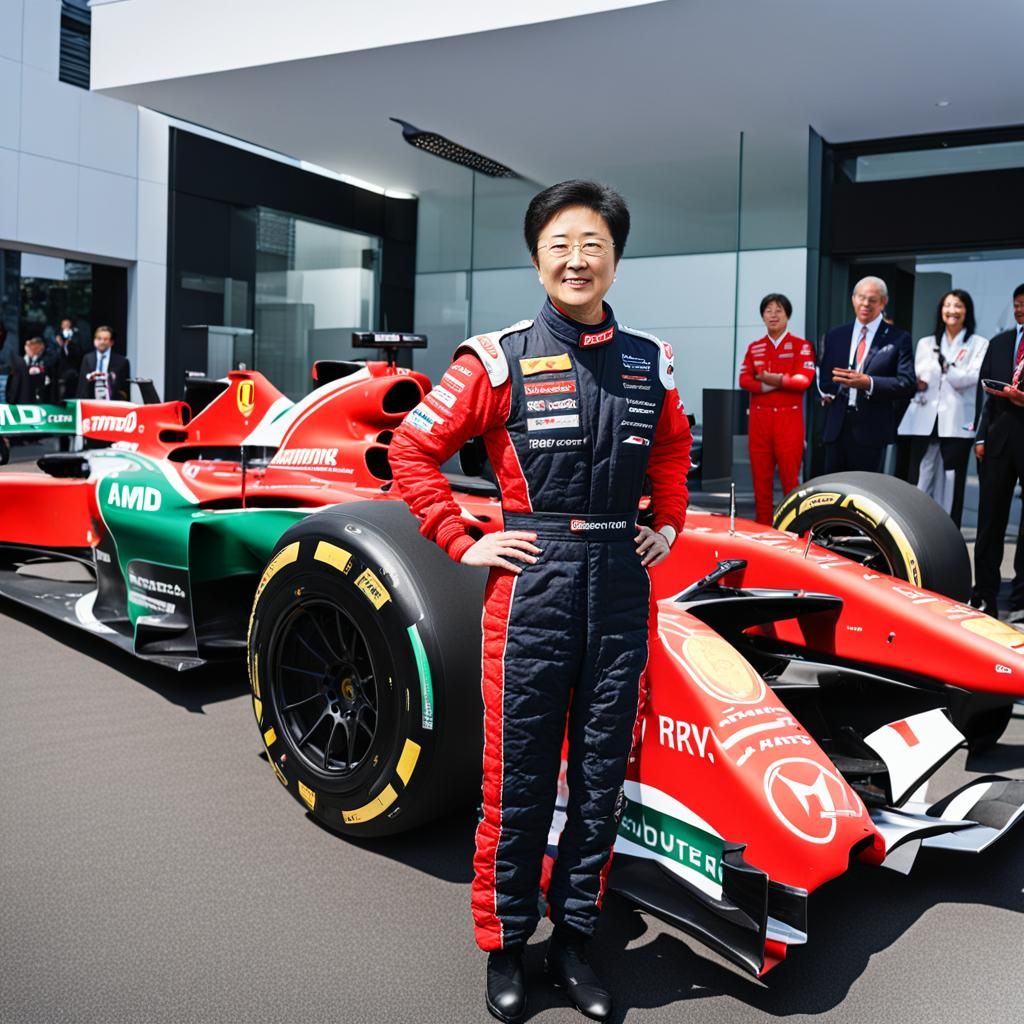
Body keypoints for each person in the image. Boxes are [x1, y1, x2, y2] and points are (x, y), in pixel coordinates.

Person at [389, 180, 691, 1024]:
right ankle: (506, 946)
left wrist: (665, 524)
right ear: (536, 256)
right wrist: (463, 537)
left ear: (615, 258)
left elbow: (672, 450)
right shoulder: (495, 358)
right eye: (560, 243)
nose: (577, 259)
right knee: (517, 784)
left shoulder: (648, 360)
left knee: (601, 784)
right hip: (530, 587)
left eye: (592, 243)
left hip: (620, 586)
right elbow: (412, 451)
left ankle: (576, 944)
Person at [898, 290, 988, 527]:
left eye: (958, 306)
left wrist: (947, 368)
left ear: (966, 311)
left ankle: (948, 526)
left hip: (957, 418)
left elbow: (972, 377)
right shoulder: (926, 343)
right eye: (947, 305)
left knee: (951, 475)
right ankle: (917, 523)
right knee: (922, 470)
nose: (952, 311)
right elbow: (920, 375)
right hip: (925, 415)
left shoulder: (978, 344)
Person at [817, 276, 915, 472]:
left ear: (883, 302)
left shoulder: (898, 338)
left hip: (871, 429)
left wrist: (868, 382)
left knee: (862, 495)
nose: (865, 304)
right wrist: (828, 393)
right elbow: (826, 379)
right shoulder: (836, 335)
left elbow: (907, 383)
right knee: (833, 491)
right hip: (837, 427)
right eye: (861, 298)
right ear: (853, 299)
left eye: (872, 299)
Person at [971, 283, 1024, 620]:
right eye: (1017, 304)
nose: (1020, 310)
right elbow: (984, 395)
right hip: (998, 441)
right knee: (989, 521)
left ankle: (1020, 599)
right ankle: (984, 595)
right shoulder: (1000, 342)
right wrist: (980, 438)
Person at [738, 293, 815, 523]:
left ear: (787, 315)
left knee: (790, 481)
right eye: (768, 310)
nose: (773, 315)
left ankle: (793, 529)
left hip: (788, 421)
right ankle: (763, 529)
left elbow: (804, 381)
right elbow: (744, 380)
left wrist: (774, 379)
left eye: (778, 310)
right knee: (760, 481)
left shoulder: (801, 346)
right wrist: (773, 384)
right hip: (759, 422)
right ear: (762, 316)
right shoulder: (755, 347)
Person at [77, 326, 130, 402]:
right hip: (90, 401)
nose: (102, 342)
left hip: (112, 404)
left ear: (111, 342)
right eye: (99, 338)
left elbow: (124, 389)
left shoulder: (122, 361)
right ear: (94, 341)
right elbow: (81, 384)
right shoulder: (87, 358)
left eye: (105, 339)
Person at [5, 337, 57, 405]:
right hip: (21, 401)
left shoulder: (44, 362)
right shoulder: (18, 362)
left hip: (38, 401)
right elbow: (12, 383)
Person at [54, 318, 84, 399]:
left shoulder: (76, 336)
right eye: (64, 324)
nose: (66, 326)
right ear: (61, 326)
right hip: (61, 366)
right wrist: (60, 345)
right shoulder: (57, 336)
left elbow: (80, 350)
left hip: (73, 365)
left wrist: (71, 343)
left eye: (68, 324)